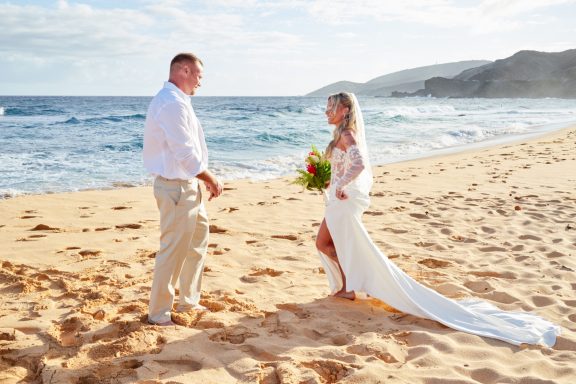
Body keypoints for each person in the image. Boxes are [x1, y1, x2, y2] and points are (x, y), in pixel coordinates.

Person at [315, 92, 560, 347]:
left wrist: (342, 184)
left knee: (330, 244)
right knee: (330, 244)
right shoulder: (340, 135)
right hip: (337, 200)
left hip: (343, 201)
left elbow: (360, 164)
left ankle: (351, 287)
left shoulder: (348, 134)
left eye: (330, 107)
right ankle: (350, 286)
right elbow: (343, 166)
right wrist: (329, 180)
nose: (326, 112)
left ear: (344, 109)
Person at [143, 52, 223, 326]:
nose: (201, 81)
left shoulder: (180, 101)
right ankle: (159, 313)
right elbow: (185, 153)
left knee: (197, 244)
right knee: (173, 250)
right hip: (176, 189)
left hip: (189, 186)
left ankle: (189, 300)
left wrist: (200, 181)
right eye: (199, 75)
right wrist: (211, 178)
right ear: (184, 71)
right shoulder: (170, 104)